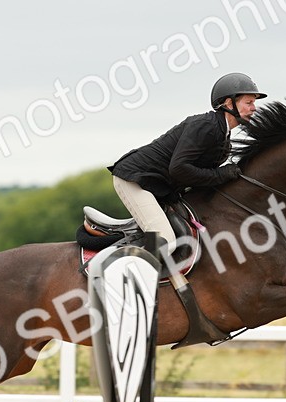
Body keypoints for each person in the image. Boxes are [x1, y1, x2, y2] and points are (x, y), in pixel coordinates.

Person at [108, 72, 266, 269]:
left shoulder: (222, 135)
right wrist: (222, 174)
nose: (254, 108)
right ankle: (123, 282)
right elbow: (179, 169)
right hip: (135, 180)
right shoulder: (206, 126)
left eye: (253, 103)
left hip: (157, 186)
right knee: (165, 239)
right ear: (228, 103)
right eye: (249, 102)